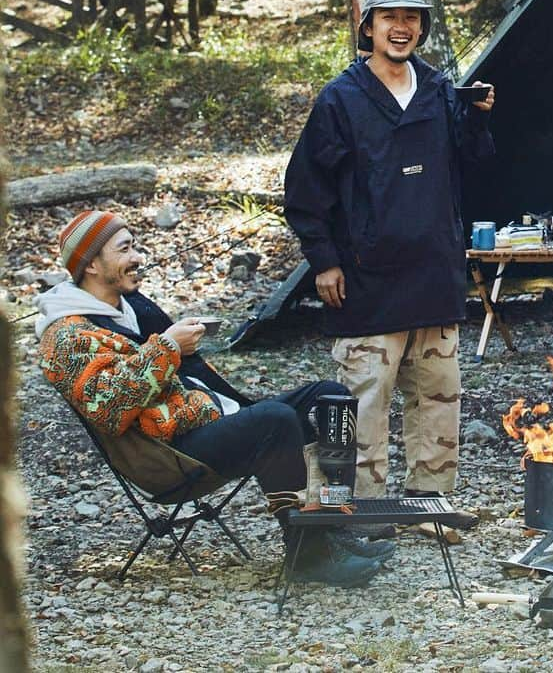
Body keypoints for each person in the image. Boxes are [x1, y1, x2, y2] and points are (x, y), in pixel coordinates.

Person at [37, 208, 394, 588]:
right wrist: (169, 346)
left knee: (331, 397)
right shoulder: (66, 335)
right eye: (125, 249)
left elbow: (167, 366)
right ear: (91, 264)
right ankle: (307, 554)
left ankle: (331, 529)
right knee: (274, 420)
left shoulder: (127, 306)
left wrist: (176, 344)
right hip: (167, 452)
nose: (137, 258)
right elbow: (109, 409)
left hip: (205, 418)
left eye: (134, 247)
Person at [284, 0, 495, 512]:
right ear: (369, 28)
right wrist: (324, 262)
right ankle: (361, 510)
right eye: (389, 18)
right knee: (365, 401)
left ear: (422, 27)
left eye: (412, 18)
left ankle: (430, 503)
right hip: (366, 280)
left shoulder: (441, 91)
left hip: (433, 274)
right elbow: (306, 191)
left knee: (437, 397)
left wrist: (476, 119)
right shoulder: (341, 99)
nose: (401, 28)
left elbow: (478, 167)